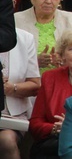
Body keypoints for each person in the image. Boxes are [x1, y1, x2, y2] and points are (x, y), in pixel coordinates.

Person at [28, 26, 72, 158]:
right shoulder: (50, 78)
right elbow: (35, 123)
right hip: (55, 143)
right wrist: (54, 128)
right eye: (71, 49)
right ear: (63, 55)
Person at [13, 0, 72, 74]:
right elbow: (8, 58)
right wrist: (34, 62)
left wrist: (65, 60)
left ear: (60, 0)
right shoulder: (15, 21)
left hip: (65, 79)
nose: (48, 1)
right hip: (26, 81)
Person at [0, 24, 39, 159]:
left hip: (11, 115)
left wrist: (11, 88)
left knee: (6, 140)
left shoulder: (25, 38)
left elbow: (35, 86)